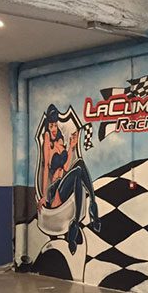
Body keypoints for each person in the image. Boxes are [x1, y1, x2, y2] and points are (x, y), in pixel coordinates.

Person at [36, 104, 100, 254]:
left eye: (55, 125)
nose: (53, 128)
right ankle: (91, 212)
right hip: (54, 190)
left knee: (79, 164)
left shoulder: (59, 141)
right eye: (51, 126)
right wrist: (44, 195)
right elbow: (46, 168)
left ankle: (82, 216)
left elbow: (65, 168)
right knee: (78, 170)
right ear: (47, 126)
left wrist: (71, 146)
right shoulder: (47, 140)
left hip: (62, 183)